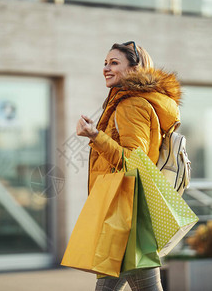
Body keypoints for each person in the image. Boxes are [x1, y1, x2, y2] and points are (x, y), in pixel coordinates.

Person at [76, 41, 182, 291]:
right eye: (105, 63)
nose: (106, 68)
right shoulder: (132, 102)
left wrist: (95, 136)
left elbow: (134, 162)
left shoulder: (131, 104)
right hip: (129, 213)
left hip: (124, 214)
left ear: (135, 69)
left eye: (114, 63)